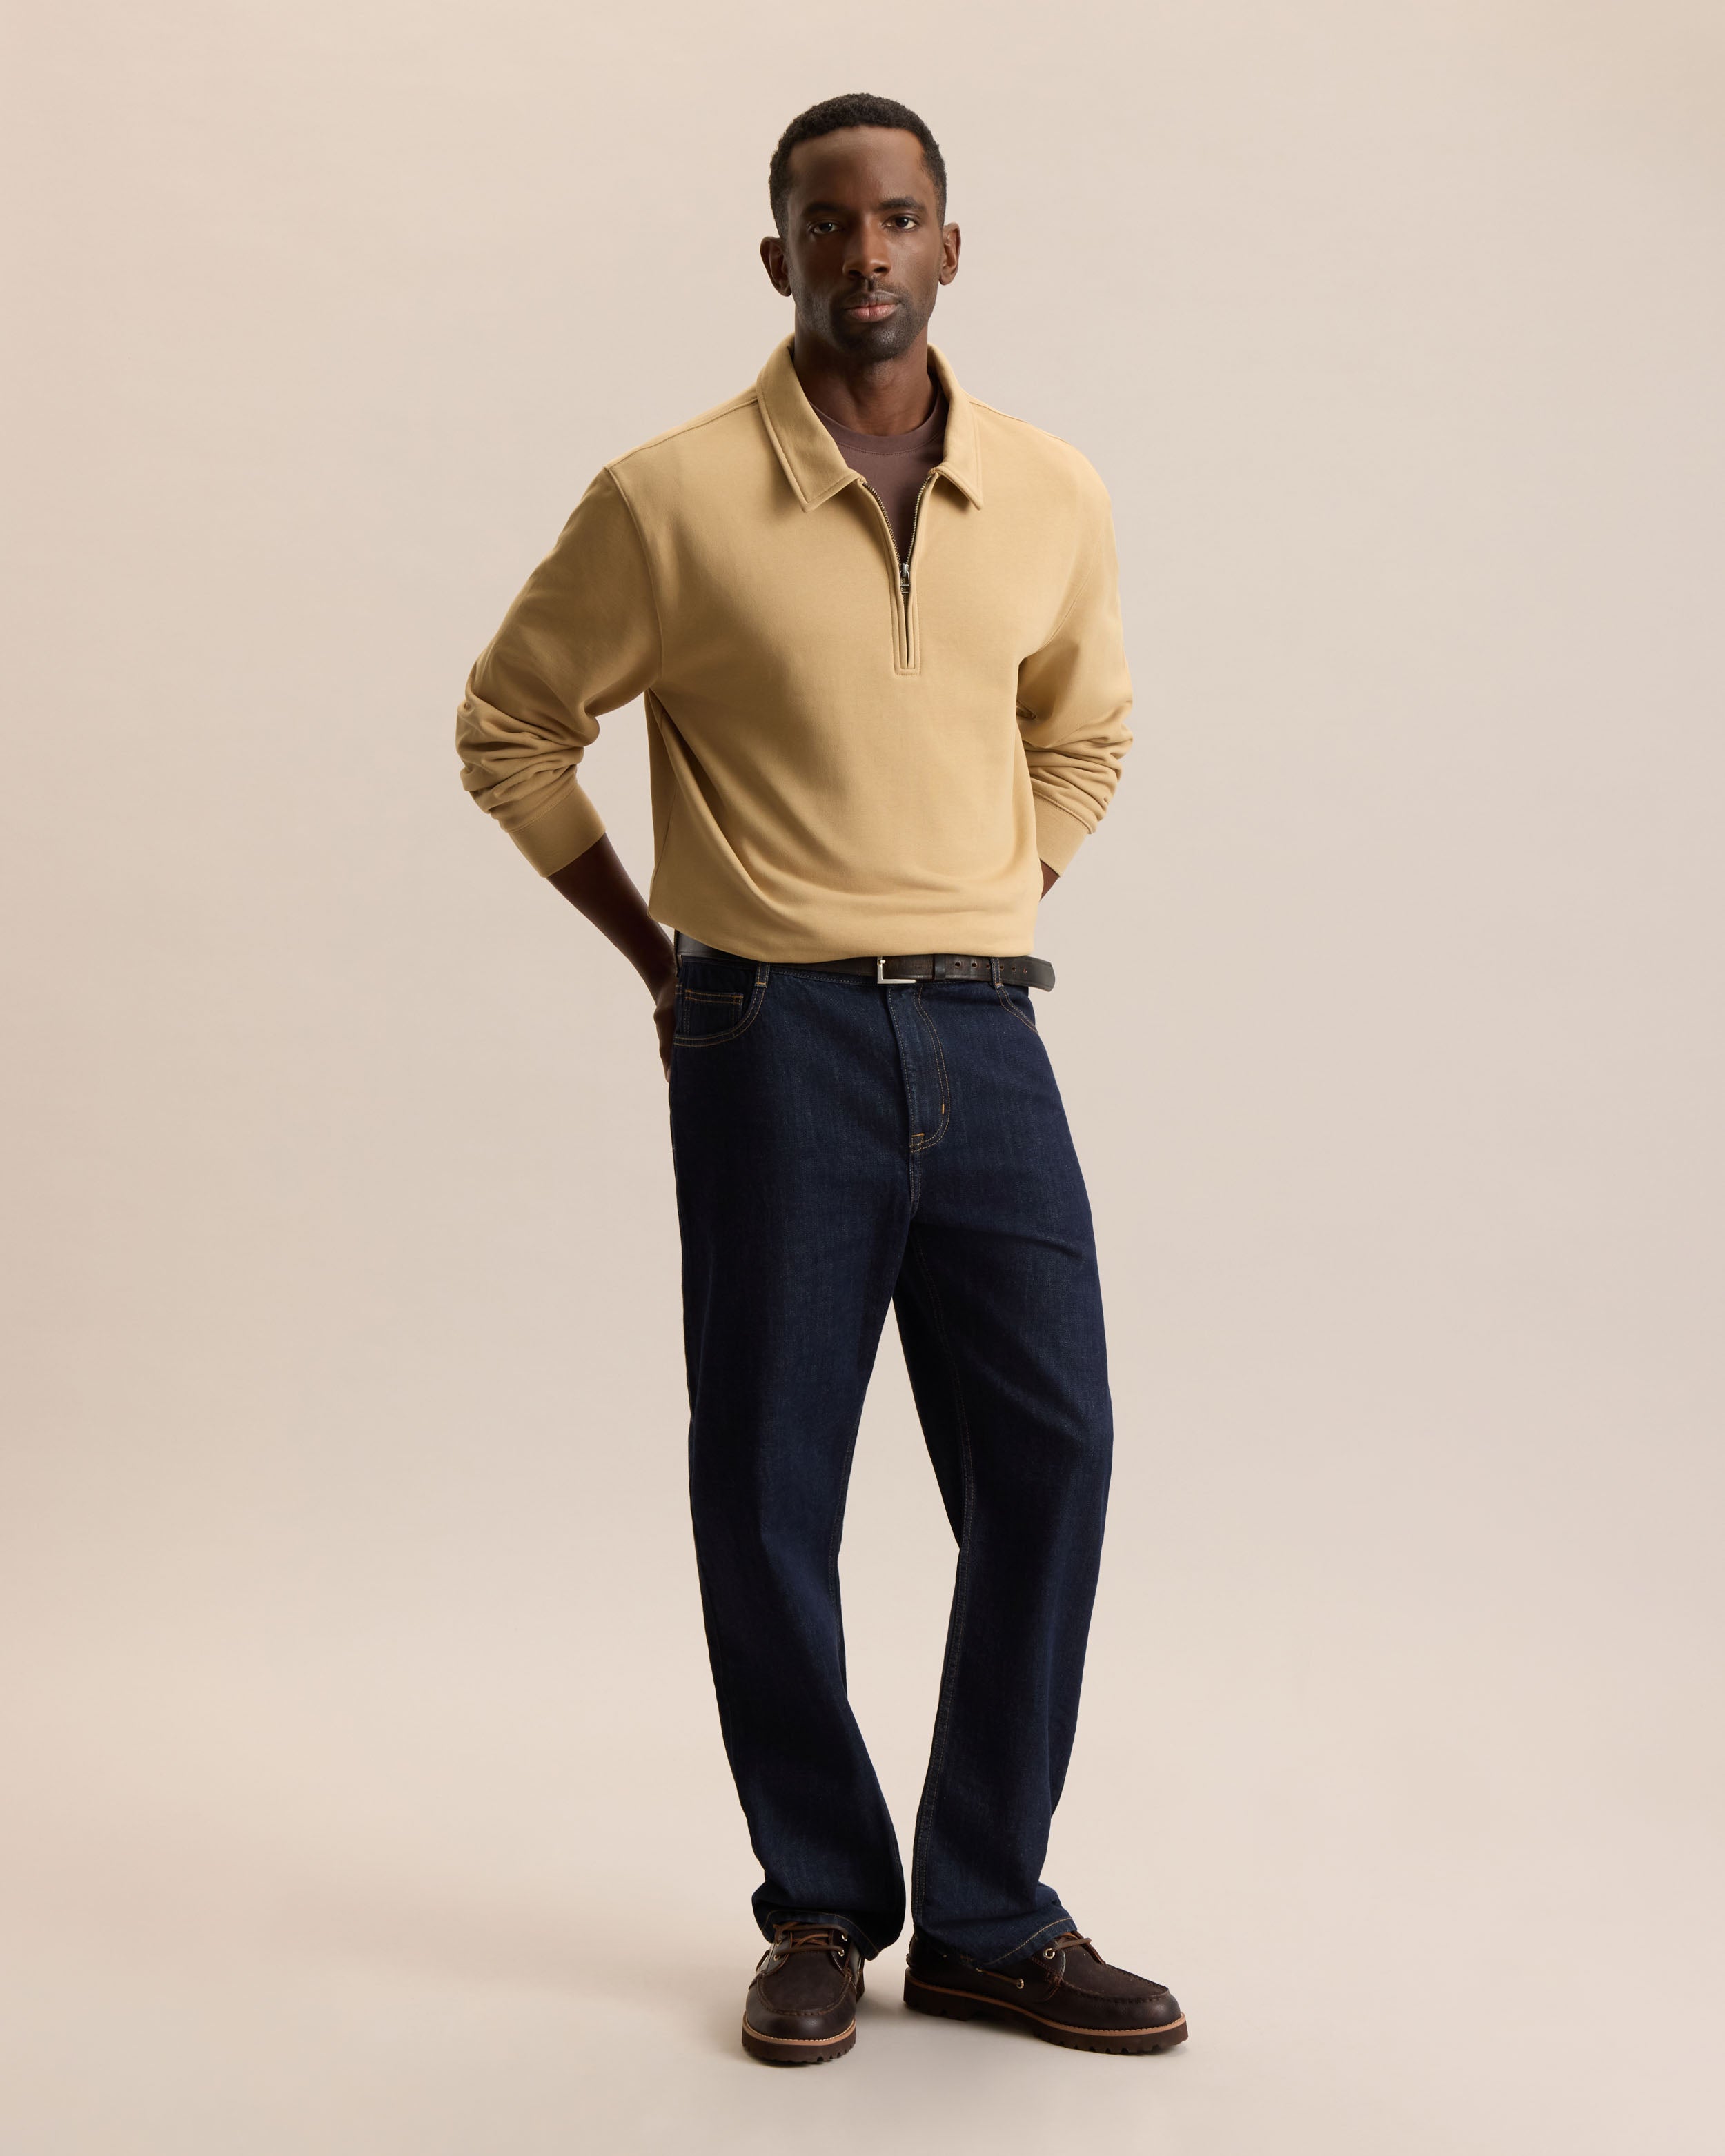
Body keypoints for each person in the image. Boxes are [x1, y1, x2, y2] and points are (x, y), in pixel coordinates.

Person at [455, 91, 1186, 2066]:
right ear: (776, 254)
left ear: (951, 246)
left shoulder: (1051, 491)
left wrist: (990, 895)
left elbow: (1087, 731)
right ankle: (817, 1905)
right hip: (769, 1033)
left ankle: (988, 1918)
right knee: (773, 1482)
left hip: (988, 1030)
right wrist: (661, 958)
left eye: (901, 215)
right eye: (829, 220)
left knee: (1050, 1456)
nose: (868, 250)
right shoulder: (668, 499)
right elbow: (511, 725)